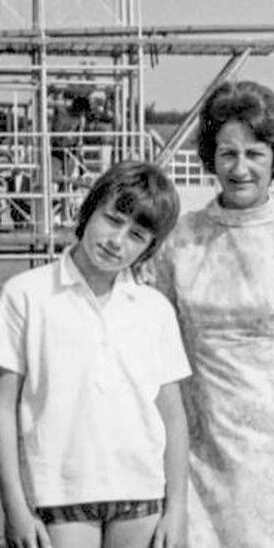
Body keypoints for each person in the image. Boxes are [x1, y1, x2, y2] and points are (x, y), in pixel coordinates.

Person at [147, 80, 274, 547]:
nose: (240, 168)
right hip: (197, 439)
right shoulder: (178, 241)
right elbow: (151, 342)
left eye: (255, 154)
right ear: (211, 159)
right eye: (227, 154)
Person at [0, 161, 189, 548]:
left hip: (141, 495)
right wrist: (15, 506)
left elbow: (173, 416)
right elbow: (3, 409)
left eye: (136, 234)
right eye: (112, 219)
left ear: (149, 248)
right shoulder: (26, 295)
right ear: (87, 212)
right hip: (57, 493)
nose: (117, 240)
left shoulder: (153, 308)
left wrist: (177, 507)